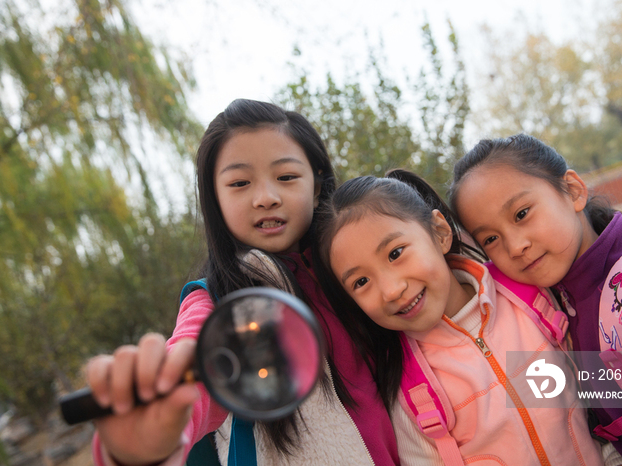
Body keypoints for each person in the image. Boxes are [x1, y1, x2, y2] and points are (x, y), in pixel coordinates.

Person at [85, 99, 399, 466]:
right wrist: (147, 440)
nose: (266, 198)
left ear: (316, 185)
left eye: (286, 177)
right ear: (214, 200)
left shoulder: (356, 272)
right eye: (239, 183)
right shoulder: (217, 304)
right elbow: (190, 362)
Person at [313, 169, 611, 465]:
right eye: (361, 283)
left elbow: (604, 406)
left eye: (395, 253)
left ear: (439, 233)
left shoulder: (531, 298)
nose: (391, 291)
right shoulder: (409, 391)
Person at [450, 133, 622, 466]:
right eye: (491, 238)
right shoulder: (560, 312)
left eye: (521, 214)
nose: (514, 246)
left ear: (573, 191)